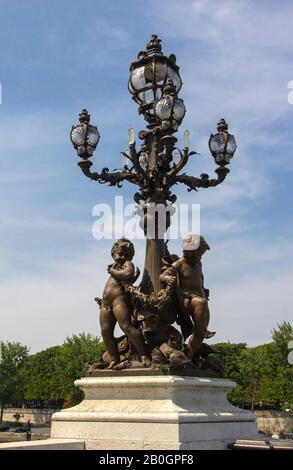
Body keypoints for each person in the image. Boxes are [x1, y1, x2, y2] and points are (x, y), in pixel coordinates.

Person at [97, 238, 150, 369]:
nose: (123, 257)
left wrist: (112, 271)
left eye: (127, 255)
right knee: (105, 331)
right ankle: (114, 358)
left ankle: (144, 354)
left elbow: (128, 273)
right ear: (113, 254)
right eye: (120, 254)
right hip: (106, 304)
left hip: (120, 301)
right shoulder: (116, 266)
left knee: (126, 326)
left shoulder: (127, 264)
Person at [172, 234, 215, 356]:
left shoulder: (198, 264)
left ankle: (188, 356)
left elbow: (199, 279)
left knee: (199, 332)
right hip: (187, 301)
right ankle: (203, 331)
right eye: (200, 254)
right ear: (191, 252)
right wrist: (167, 278)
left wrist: (203, 288)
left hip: (200, 300)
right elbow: (163, 276)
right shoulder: (179, 264)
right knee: (202, 307)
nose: (201, 257)